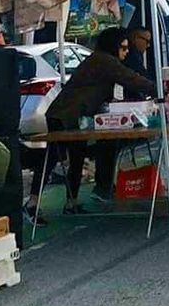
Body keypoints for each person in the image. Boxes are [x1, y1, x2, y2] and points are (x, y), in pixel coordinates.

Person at [32, 27, 155, 214]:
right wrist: (159, 91)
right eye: (123, 47)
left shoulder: (101, 60)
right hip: (65, 115)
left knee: (75, 158)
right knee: (54, 158)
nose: (126, 51)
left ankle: (70, 203)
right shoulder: (105, 61)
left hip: (69, 115)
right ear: (113, 46)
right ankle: (33, 203)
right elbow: (132, 79)